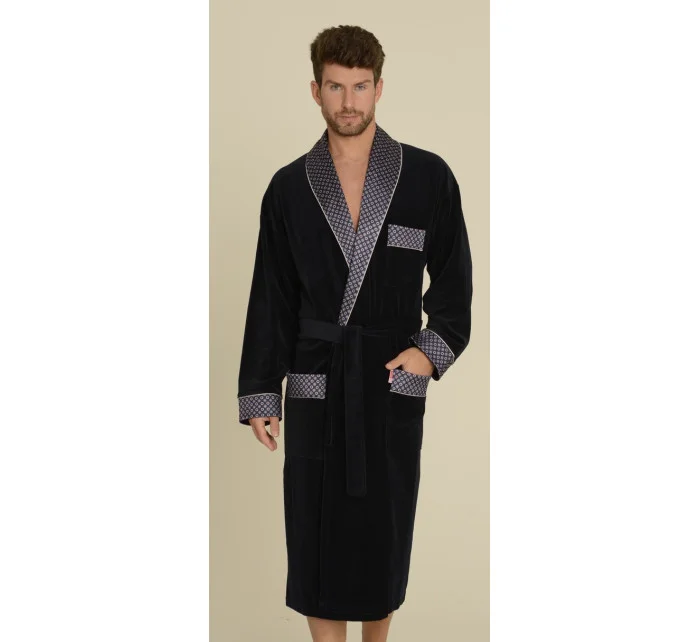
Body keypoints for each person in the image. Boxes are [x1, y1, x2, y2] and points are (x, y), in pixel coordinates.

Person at [237, 24, 473, 642]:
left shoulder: (427, 177)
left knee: (382, 537)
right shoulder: (289, 188)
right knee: (314, 536)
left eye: (360, 87)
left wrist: (428, 354)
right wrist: (261, 391)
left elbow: (455, 283)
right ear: (315, 90)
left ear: (379, 89)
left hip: (387, 384)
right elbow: (271, 296)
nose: (349, 101)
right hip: (317, 380)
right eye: (336, 87)